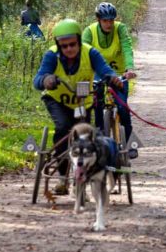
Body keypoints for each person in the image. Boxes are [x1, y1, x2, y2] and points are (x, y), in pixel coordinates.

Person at [33, 18, 123, 195]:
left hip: (83, 101)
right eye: (64, 46)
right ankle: (62, 179)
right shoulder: (52, 56)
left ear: (79, 41)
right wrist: (46, 80)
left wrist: (112, 78)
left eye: (72, 44)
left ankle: (81, 178)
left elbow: (104, 70)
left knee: (83, 137)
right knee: (63, 129)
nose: (69, 49)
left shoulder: (90, 53)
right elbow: (38, 79)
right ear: (58, 46)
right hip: (57, 101)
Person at [82, 2, 137, 155]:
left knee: (122, 108)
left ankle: (129, 143)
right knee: (97, 107)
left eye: (111, 20)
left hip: (119, 74)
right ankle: (100, 142)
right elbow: (83, 53)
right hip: (97, 75)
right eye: (105, 20)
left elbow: (127, 47)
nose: (109, 24)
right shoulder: (89, 31)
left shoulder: (120, 29)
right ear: (98, 20)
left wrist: (129, 68)